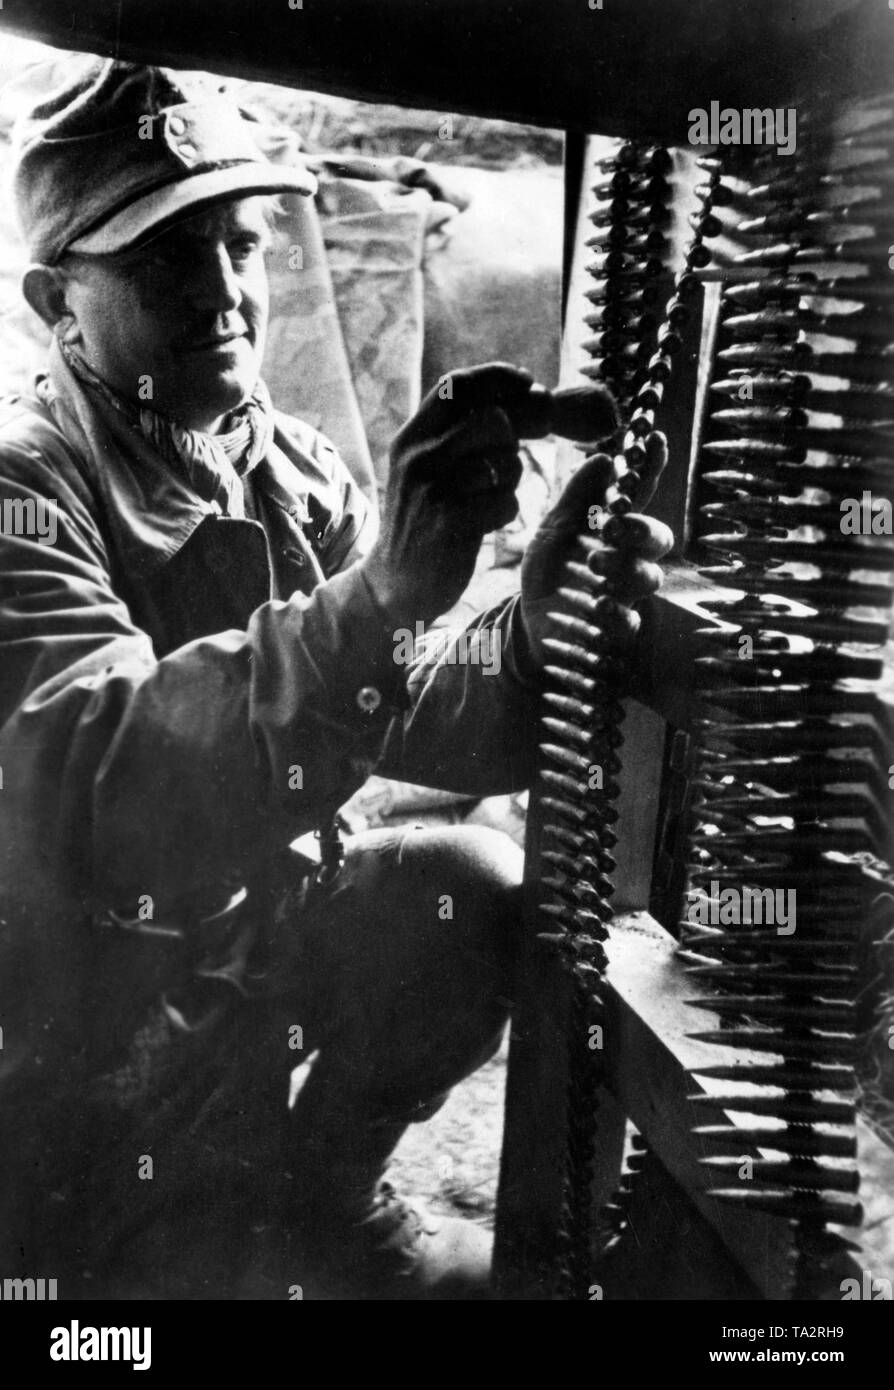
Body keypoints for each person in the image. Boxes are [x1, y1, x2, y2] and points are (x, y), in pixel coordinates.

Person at [0, 59, 671, 1299]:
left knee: (468, 885)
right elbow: (106, 788)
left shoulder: (284, 467)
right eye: (164, 264)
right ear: (59, 302)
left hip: (246, 955)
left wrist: (530, 632)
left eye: (239, 246)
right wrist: (373, 598)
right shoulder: (24, 497)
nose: (225, 296)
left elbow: (414, 704)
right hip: (77, 1028)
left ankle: (310, 1204)